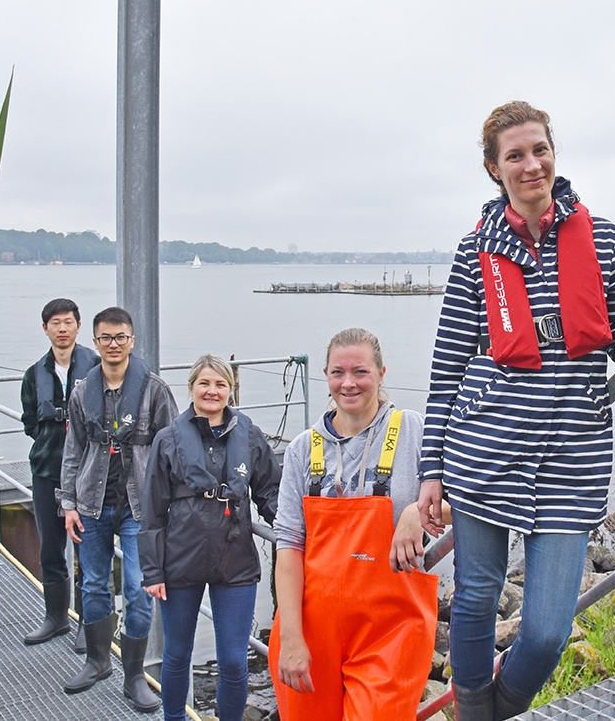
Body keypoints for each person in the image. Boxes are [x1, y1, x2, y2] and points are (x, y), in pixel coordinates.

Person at [416, 102, 615, 720]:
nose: (531, 164)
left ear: (555, 153)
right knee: (472, 600)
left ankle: (495, 710)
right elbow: (446, 369)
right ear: (494, 170)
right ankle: (472, 713)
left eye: (539, 149)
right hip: (484, 448)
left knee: (547, 629)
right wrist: (430, 470)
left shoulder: (603, 238)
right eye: (514, 155)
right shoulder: (474, 252)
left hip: (573, 452)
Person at [271, 328, 443, 721]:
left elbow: (467, 500)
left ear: (382, 373)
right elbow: (289, 546)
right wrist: (292, 639)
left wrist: (417, 512)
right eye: (337, 373)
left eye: (360, 372)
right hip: (311, 630)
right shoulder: (301, 450)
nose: (348, 383)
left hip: (392, 631)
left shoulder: (416, 431)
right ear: (326, 376)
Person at [139, 356, 282, 721]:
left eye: (220, 385)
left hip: (234, 558)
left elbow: (269, 492)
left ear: (230, 391)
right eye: (204, 383)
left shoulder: (249, 435)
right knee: (177, 653)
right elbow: (152, 510)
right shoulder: (167, 439)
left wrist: (294, 530)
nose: (212, 391)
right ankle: (175, 717)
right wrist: (152, 571)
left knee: (234, 660)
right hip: (180, 559)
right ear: (190, 389)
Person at [59, 306, 179, 713]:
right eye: (106, 338)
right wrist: (68, 503)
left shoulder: (155, 390)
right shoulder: (81, 390)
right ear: (94, 342)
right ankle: (97, 661)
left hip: (138, 506)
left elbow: (171, 448)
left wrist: (169, 505)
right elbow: (73, 449)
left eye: (121, 337)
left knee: (138, 589)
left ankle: (133, 676)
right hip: (91, 502)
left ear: (132, 340)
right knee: (93, 585)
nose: (113, 345)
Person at [19, 298, 99, 649]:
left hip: (88, 476)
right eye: (55, 323)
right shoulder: (34, 374)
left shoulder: (96, 367)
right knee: (51, 547)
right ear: (45, 329)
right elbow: (30, 423)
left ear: (78, 326)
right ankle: (55, 618)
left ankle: (88, 623)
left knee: (89, 552)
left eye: (68, 322)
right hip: (47, 470)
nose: (62, 328)